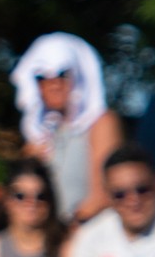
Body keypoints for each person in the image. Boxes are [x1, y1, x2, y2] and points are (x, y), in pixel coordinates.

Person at [11, 34, 124, 224]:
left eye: (62, 74)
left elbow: (103, 196)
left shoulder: (101, 123)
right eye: (43, 77)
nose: (54, 84)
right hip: (53, 238)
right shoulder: (40, 135)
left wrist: (68, 231)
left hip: (89, 233)